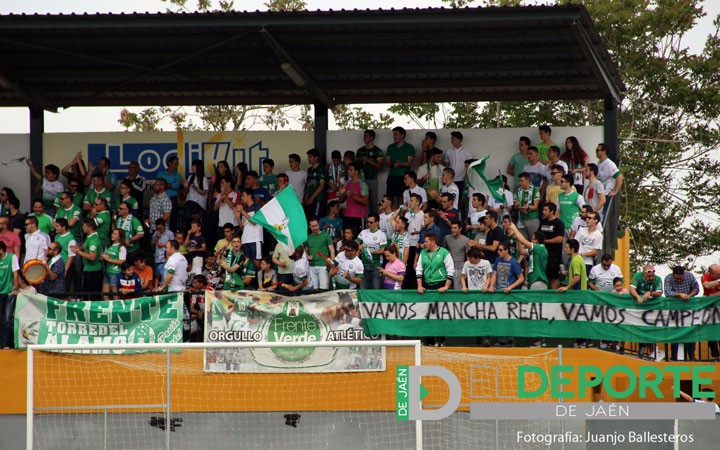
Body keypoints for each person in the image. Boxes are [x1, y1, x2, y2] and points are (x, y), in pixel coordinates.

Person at [664, 266, 700, 361]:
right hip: (675, 309)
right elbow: (667, 292)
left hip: (689, 308)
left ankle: (692, 357)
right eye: (677, 278)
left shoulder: (690, 276)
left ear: (684, 274)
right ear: (673, 275)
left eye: (681, 278)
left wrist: (689, 295)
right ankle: (673, 357)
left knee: (690, 332)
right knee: (675, 333)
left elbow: (696, 289)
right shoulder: (668, 278)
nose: (679, 280)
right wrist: (679, 294)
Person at [629, 265, 662, 359]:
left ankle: (652, 351)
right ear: (644, 274)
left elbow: (659, 292)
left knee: (650, 329)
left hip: (652, 309)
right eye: (649, 276)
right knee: (640, 328)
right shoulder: (637, 276)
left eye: (652, 276)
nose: (651, 278)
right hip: (639, 308)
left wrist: (650, 293)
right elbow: (631, 289)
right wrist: (638, 297)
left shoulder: (658, 279)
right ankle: (642, 348)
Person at [510, 223, 549, 290]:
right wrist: (518, 240)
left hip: (538, 281)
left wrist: (515, 229)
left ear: (536, 241)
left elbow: (524, 241)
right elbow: (520, 251)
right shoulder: (533, 250)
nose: (531, 240)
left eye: (532, 239)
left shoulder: (540, 249)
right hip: (532, 281)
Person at [70, 219, 103, 294]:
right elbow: (84, 247)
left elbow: (92, 257)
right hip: (88, 269)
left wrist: (78, 252)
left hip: (93, 272)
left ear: (90, 227)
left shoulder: (93, 240)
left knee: (92, 295)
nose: (82, 228)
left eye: (84, 226)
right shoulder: (89, 237)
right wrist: (78, 248)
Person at [356, 129, 385, 214]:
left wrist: (368, 160)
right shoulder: (360, 150)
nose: (364, 138)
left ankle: (374, 220)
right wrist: (361, 160)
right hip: (360, 180)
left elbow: (380, 166)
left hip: (372, 179)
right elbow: (355, 164)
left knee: (373, 201)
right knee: (361, 201)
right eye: (363, 136)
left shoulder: (377, 151)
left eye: (366, 136)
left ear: (372, 138)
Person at [385, 126, 415, 205]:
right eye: (393, 135)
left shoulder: (409, 147)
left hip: (403, 177)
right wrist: (391, 163)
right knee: (390, 198)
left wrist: (399, 164)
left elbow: (409, 163)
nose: (394, 137)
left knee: (402, 198)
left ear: (402, 136)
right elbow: (387, 162)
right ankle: (391, 215)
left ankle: (401, 215)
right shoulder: (390, 147)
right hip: (392, 176)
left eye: (396, 135)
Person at [357, 214, 388, 290]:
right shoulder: (363, 232)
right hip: (363, 264)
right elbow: (356, 244)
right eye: (367, 222)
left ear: (377, 222)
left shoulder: (381, 234)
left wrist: (370, 252)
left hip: (376, 265)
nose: (368, 224)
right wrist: (359, 247)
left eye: (371, 222)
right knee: (363, 289)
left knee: (376, 289)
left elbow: (383, 250)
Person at [235, 188, 264, 269]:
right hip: (245, 240)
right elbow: (242, 228)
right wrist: (238, 217)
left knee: (256, 263)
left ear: (250, 196)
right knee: (248, 264)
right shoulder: (244, 209)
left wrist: (243, 212)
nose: (242, 198)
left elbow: (254, 222)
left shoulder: (257, 207)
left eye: (243, 196)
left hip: (255, 239)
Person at [539, 203, 565, 289]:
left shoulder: (559, 223)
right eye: (543, 210)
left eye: (545, 210)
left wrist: (545, 241)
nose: (543, 212)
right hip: (543, 254)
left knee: (554, 277)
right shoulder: (543, 222)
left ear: (552, 211)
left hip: (554, 255)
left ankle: (555, 296)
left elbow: (559, 239)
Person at [339, 161, 369, 232]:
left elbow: (365, 201)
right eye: (348, 169)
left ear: (357, 171)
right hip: (348, 215)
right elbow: (341, 200)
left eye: (351, 170)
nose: (349, 171)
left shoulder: (363, 184)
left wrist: (353, 196)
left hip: (359, 216)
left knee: (358, 237)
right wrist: (341, 194)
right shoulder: (347, 184)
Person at [0, 241, 19, 349]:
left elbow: (15, 273)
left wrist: (15, 289)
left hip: (9, 292)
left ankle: (8, 343)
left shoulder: (12, 257)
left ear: (1, 250)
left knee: (7, 318)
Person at [305, 218, 334, 290]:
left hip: (323, 266)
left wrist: (332, 264)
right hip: (311, 266)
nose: (315, 228)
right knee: (313, 290)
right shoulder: (308, 237)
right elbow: (305, 252)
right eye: (313, 226)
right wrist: (307, 257)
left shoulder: (326, 235)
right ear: (309, 227)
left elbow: (332, 250)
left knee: (324, 289)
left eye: (316, 225)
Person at [514, 172, 541, 240]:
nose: (520, 183)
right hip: (521, 219)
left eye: (522, 181)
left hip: (532, 218)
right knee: (521, 241)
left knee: (534, 240)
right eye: (519, 181)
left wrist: (528, 207)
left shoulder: (535, 190)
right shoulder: (518, 190)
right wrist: (517, 205)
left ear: (528, 180)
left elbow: (535, 206)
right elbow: (515, 204)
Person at [157, 156, 182, 231]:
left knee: (173, 219)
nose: (176, 166)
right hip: (162, 199)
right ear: (169, 163)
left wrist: (165, 184)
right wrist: (171, 184)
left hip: (173, 199)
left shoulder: (178, 175)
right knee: (161, 219)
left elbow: (177, 185)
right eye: (174, 164)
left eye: (177, 164)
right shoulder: (161, 174)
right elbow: (159, 185)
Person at [52, 218, 77, 293]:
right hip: (57, 264)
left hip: (66, 265)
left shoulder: (71, 239)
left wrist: (65, 270)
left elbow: (71, 256)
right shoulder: (57, 236)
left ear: (64, 227)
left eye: (57, 226)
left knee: (65, 288)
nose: (55, 228)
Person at [101, 228, 127, 298]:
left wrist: (109, 260)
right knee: (105, 295)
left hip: (115, 273)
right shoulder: (108, 245)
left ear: (119, 237)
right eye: (112, 233)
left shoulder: (121, 248)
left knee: (115, 295)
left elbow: (122, 261)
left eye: (115, 234)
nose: (112, 235)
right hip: (107, 272)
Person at [443, 221, 469, 290]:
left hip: (460, 268)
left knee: (457, 289)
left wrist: (466, 271)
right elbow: (443, 251)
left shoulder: (466, 240)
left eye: (455, 228)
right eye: (451, 228)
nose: (453, 230)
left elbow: (468, 257)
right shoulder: (447, 238)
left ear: (460, 229)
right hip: (448, 268)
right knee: (446, 289)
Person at [303, 148, 327, 218]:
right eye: (308, 157)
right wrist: (306, 198)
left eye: (310, 157)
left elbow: (322, 186)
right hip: (309, 201)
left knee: (316, 219)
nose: (308, 159)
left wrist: (312, 198)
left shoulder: (320, 169)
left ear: (316, 158)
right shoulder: (309, 169)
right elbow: (308, 184)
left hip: (318, 200)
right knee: (309, 220)